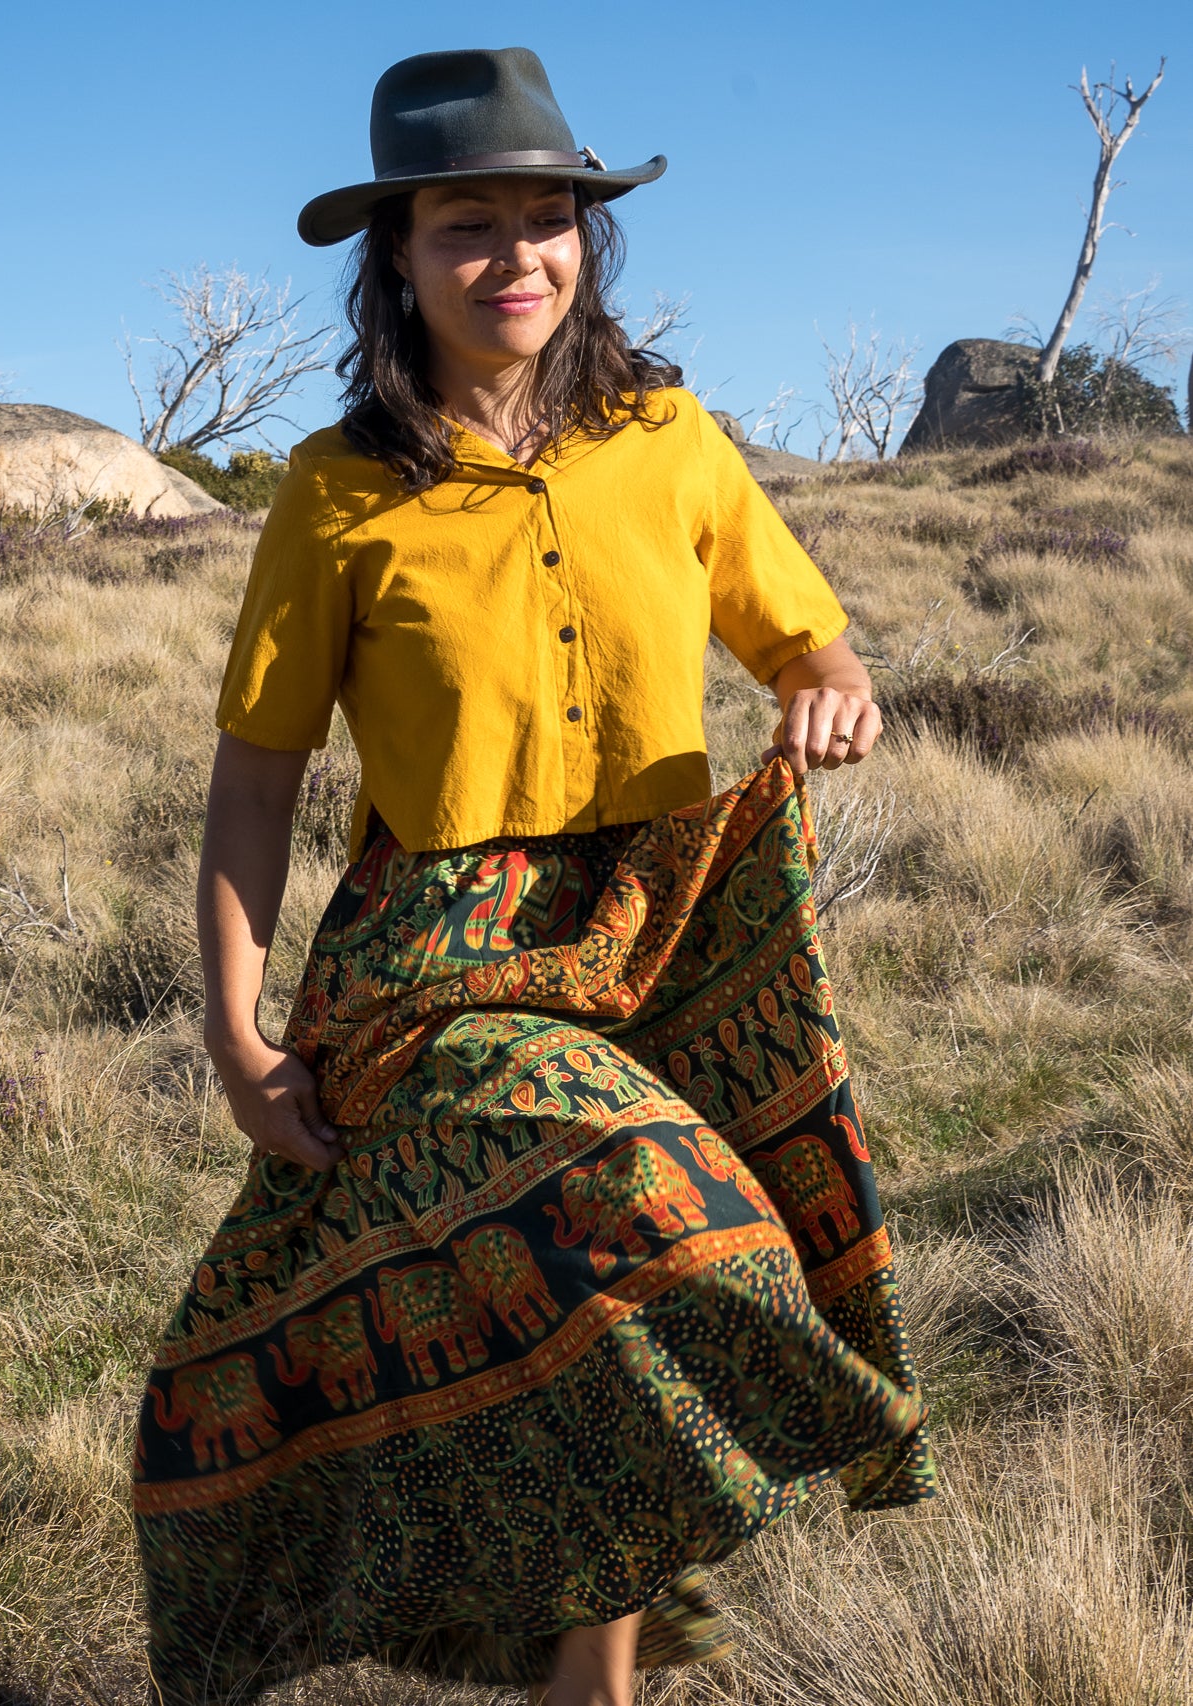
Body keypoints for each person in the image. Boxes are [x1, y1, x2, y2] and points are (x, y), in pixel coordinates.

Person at [133, 46, 937, 1706]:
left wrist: (823, 684)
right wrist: (232, 1028)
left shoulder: (664, 437)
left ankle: (595, 1675)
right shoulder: (338, 491)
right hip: (443, 948)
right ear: (399, 259)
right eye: (465, 227)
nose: (515, 258)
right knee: (671, 1222)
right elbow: (256, 774)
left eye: (545, 220)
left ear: (588, 237)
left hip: (671, 916)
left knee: (620, 1302)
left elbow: (804, 630)